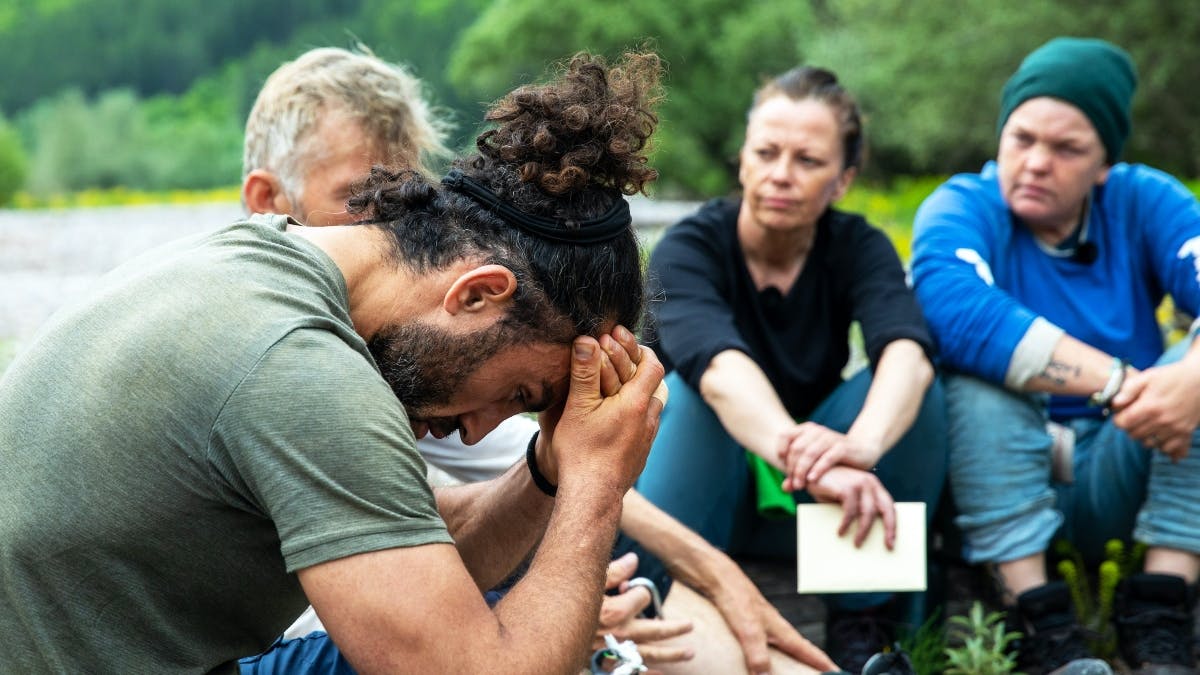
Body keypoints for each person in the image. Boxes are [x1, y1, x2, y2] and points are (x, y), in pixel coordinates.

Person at [0, 51, 670, 673]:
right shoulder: (298, 365)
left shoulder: (259, 257)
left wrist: (551, 470)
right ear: (477, 293)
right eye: (518, 390)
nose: (480, 430)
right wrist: (596, 476)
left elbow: (418, 549)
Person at [239, 46, 836, 674]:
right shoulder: (297, 359)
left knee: (580, 557)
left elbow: (501, 485)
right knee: (550, 605)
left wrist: (707, 565)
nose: (389, 218)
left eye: (408, 195)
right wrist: (557, 614)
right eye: (353, 196)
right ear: (266, 198)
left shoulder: (333, 312)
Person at [627, 65, 948, 672]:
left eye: (807, 160)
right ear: (743, 160)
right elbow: (717, 365)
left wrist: (858, 447)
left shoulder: (858, 247)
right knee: (688, 394)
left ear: (843, 179)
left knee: (916, 389)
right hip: (699, 496)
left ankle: (863, 623)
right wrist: (810, 457)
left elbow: (905, 347)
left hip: (818, 498)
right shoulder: (688, 248)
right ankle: (677, 605)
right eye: (767, 152)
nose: (780, 175)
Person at [911, 37, 1200, 675]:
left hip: (1130, 460)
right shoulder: (963, 205)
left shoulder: (1145, 199)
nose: (1036, 162)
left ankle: (1162, 610)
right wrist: (1125, 384)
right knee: (975, 382)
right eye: (1022, 139)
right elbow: (952, 309)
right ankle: (1039, 622)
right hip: (1004, 468)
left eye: (1067, 148)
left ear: (1104, 164)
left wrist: (1191, 381)